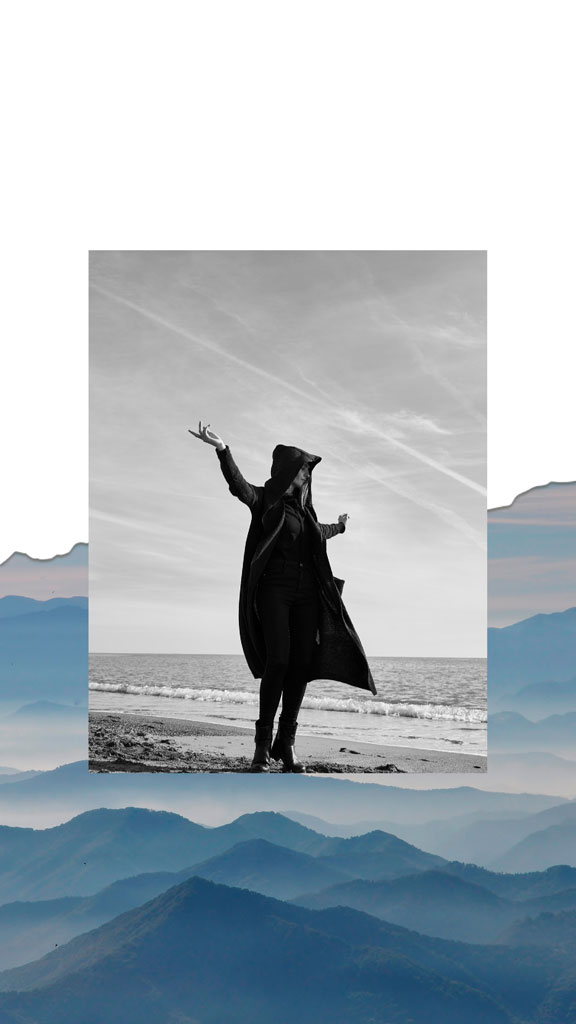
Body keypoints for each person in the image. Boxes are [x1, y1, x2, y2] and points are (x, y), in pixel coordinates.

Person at [189, 421, 376, 773]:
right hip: (274, 593)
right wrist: (222, 449)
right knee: (278, 661)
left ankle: (286, 744)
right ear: (290, 471)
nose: (307, 477)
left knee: (301, 667)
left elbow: (319, 533)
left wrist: (341, 526)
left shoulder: (306, 513)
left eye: (308, 473)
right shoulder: (264, 501)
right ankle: (262, 745)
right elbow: (238, 487)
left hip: (307, 596)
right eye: (304, 471)